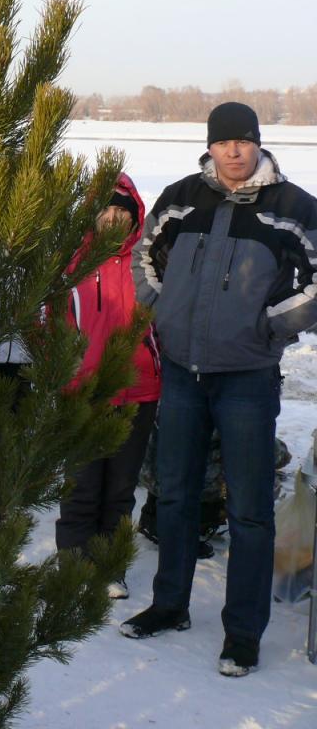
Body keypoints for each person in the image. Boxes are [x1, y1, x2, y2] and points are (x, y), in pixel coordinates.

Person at [122, 101, 317, 677]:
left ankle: (243, 633)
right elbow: (143, 256)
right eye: (223, 141)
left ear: (258, 143)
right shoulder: (182, 197)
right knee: (175, 495)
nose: (234, 151)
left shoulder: (294, 207)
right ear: (209, 146)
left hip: (248, 378)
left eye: (243, 140)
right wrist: (163, 313)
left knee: (250, 510)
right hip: (183, 372)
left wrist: (269, 327)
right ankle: (169, 605)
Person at [54, 174, 160, 599]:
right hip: (84, 389)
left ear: (135, 216)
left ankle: (110, 567)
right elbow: (48, 321)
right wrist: (62, 368)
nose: (113, 217)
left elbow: (167, 319)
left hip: (139, 389)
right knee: (81, 484)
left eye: (122, 210)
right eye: (106, 209)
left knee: (120, 489)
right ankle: (74, 564)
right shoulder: (72, 262)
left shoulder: (149, 262)